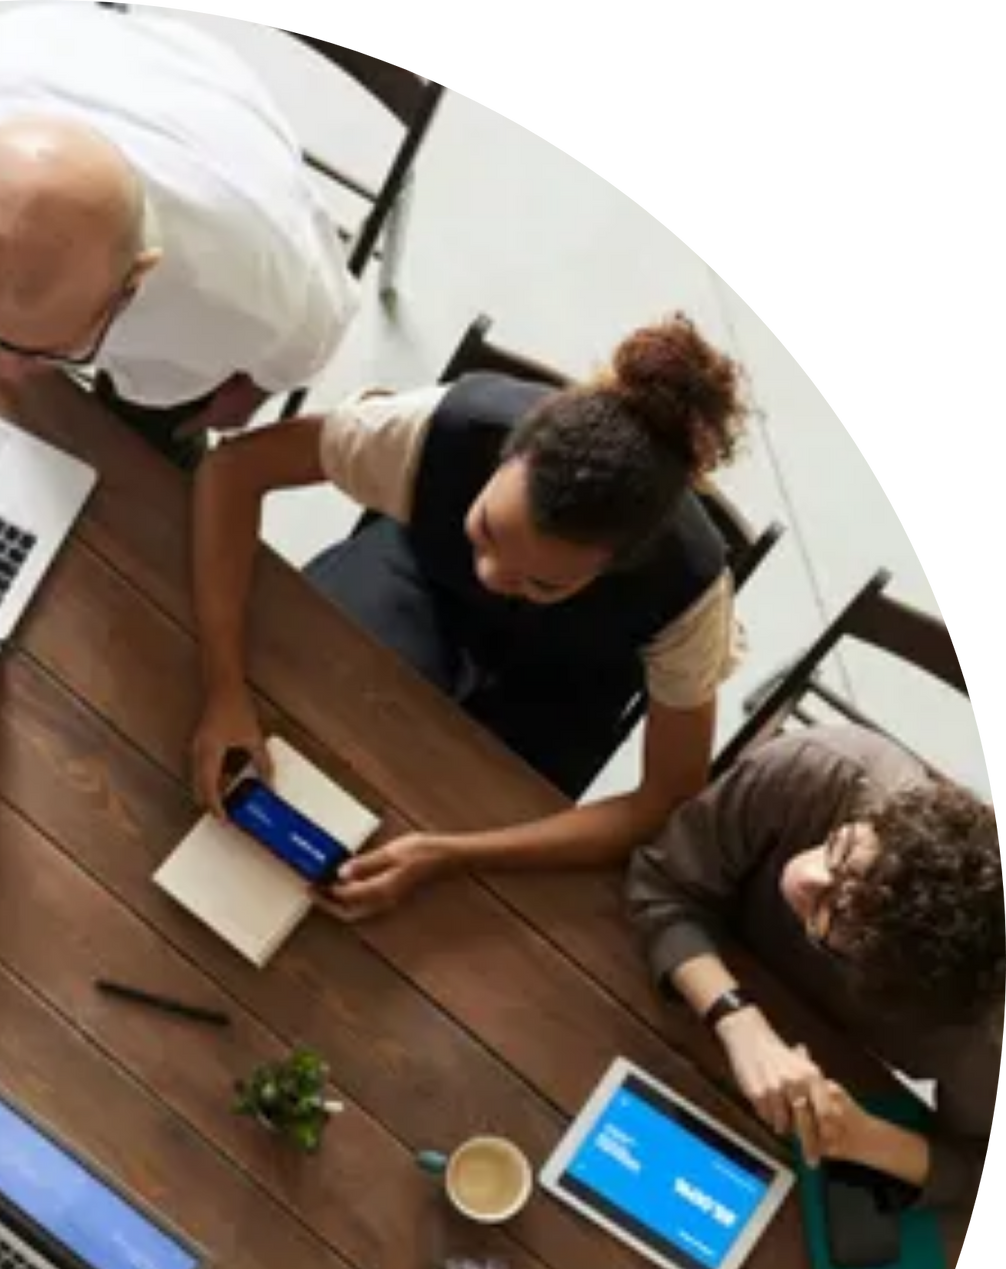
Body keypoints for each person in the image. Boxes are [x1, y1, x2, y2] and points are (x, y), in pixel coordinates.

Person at [0, 5, 356, 805]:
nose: (1, 367)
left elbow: (270, 376)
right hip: (55, 54)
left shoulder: (259, 294)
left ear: (138, 280)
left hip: (211, 131)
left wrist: (220, 402)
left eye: (39, 348)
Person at [192, 315, 753, 918]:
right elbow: (232, 470)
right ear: (508, 455)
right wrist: (223, 688)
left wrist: (449, 855)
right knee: (303, 714)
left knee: (466, 834)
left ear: (617, 567)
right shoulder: (444, 429)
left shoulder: (688, 594)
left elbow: (667, 796)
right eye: (487, 530)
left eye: (542, 580)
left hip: (567, 682)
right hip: (419, 581)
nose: (492, 575)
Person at [626, 725, 1002, 1211]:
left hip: (809, 1118)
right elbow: (662, 884)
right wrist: (742, 1025)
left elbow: (975, 1165)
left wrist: (864, 1138)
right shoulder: (820, 772)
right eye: (843, 853)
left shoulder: (984, 1034)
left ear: (888, 980)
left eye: (835, 913)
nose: (807, 875)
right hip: (668, 994)